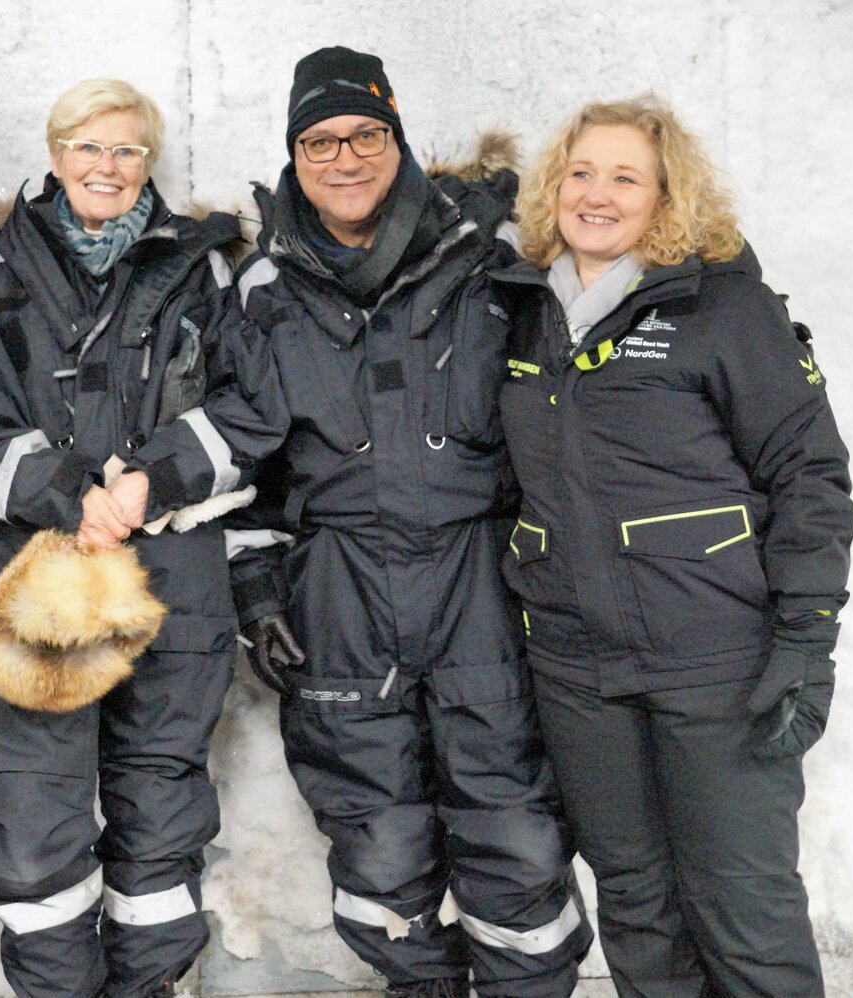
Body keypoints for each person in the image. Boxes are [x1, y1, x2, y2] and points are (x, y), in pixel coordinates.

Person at [225, 48, 592, 997]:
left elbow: (558, 421)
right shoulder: (263, 288)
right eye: (320, 141)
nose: (344, 158)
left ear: (399, 139)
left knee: (511, 825)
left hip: (482, 585)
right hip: (340, 593)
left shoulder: (489, 259)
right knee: (379, 843)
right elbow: (245, 457)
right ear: (294, 155)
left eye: (365, 135)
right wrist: (260, 588)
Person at [492, 94, 853, 998]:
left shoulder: (724, 309)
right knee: (638, 905)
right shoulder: (524, 312)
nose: (598, 194)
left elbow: (811, 475)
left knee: (743, 908)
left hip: (714, 662)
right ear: (551, 187)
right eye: (581, 172)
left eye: (627, 177)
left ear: (667, 198)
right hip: (579, 672)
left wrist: (806, 636)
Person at [0, 78, 284, 997]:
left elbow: (253, 407)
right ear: (54, 156)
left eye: (128, 150)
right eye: (88, 147)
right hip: (36, 570)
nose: (108, 166)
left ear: (148, 164)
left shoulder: (202, 265)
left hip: (172, 570)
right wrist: (66, 495)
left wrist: (150, 480)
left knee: (160, 812)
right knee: (26, 815)